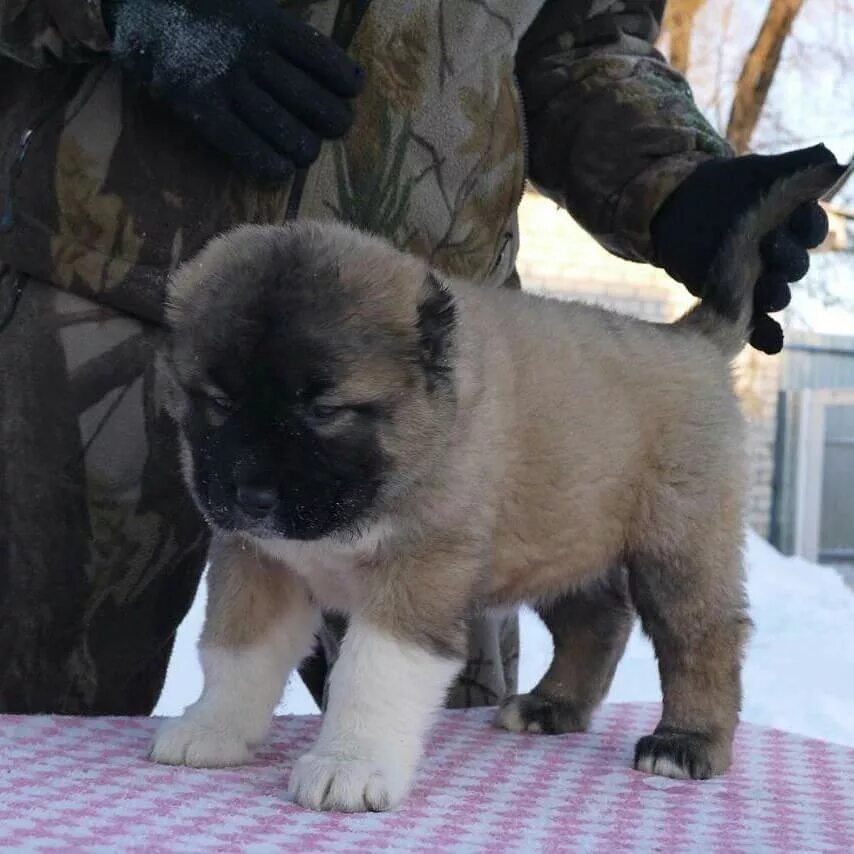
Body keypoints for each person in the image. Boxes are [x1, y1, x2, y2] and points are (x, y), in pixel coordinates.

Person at [0, 0, 839, 714]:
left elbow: (581, 42)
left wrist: (675, 180)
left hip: (415, 354)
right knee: (31, 721)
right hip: (96, 296)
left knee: (424, 755)